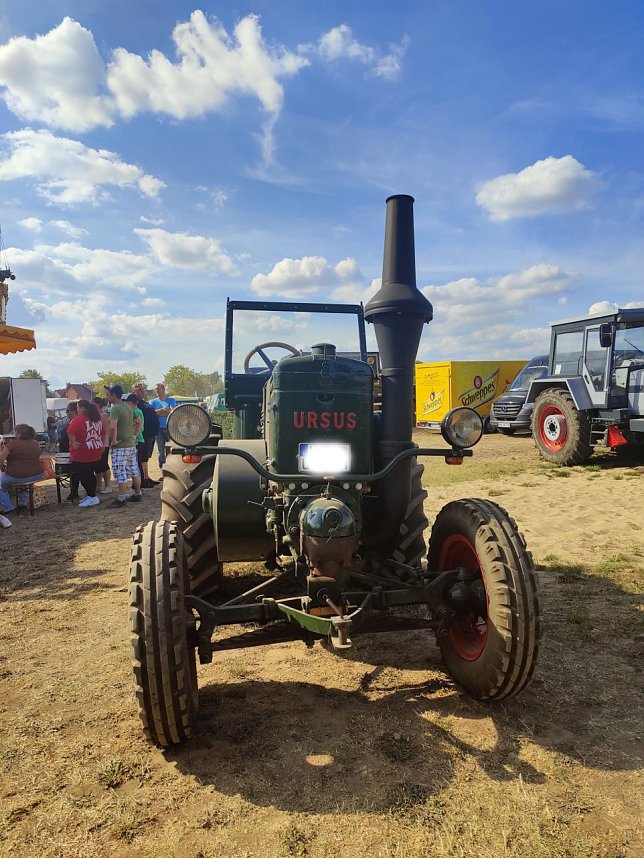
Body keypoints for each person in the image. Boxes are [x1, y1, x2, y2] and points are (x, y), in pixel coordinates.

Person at [104, 384, 142, 508]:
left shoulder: (115, 409)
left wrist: (113, 441)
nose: (107, 397)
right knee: (134, 470)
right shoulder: (128, 407)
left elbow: (112, 426)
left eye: (108, 395)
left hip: (120, 446)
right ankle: (137, 493)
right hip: (130, 444)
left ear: (114, 395)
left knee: (120, 472)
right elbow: (139, 421)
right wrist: (135, 435)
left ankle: (121, 498)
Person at [0, 424, 44, 515]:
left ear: (18, 433)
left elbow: (1, 458)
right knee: (22, 484)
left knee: (2, 486)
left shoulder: (13, 444)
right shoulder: (35, 443)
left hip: (17, 475)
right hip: (37, 474)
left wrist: (2, 465)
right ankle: (22, 505)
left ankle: (9, 507)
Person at [67, 400, 104, 508]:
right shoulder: (97, 419)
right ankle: (90, 495)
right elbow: (102, 434)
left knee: (83, 475)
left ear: (82, 409)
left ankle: (92, 496)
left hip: (82, 452)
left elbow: (70, 431)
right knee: (89, 474)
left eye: (78, 408)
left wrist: (73, 442)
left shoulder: (79, 419)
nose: (77, 410)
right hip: (95, 449)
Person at [131, 384, 160, 487]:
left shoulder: (145, 403)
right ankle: (143, 479)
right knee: (142, 457)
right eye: (137, 390)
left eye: (142, 390)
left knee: (146, 458)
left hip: (152, 434)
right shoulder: (136, 405)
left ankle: (147, 477)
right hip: (144, 434)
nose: (140, 392)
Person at [149, 383, 176, 471]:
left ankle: (172, 469)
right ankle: (163, 470)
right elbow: (153, 414)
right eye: (155, 389)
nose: (156, 391)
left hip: (170, 428)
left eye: (158, 389)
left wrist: (159, 413)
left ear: (163, 389)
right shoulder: (152, 402)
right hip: (159, 429)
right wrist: (164, 410)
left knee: (172, 450)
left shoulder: (171, 400)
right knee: (161, 452)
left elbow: (172, 412)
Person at [58, 403, 80, 501]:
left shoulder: (77, 421)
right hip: (65, 451)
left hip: (71, 450)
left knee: (74, 472)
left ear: (74, 411)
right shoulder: (70, 421)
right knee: (70, 471)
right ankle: (73, 491)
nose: (66, 413)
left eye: (68, 410)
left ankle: (74, 491)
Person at [92, 396, 112, 494]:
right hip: (96, 444)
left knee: (104, 465)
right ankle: (99, 485)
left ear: (98, 405)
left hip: (104, 443)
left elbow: (106, 431)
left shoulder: (103, 415)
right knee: (97, 466)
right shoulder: (93, 415)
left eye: (93, 404)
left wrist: (104, 444)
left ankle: (108, 485)